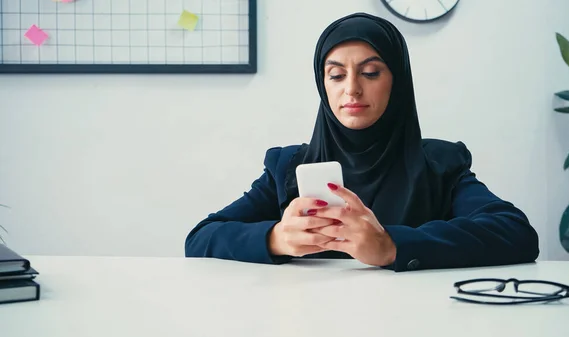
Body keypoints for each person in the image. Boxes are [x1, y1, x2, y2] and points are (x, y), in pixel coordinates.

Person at [184, 12, 539, 272]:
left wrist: (390, 245)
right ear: (323, 86)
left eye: (370, 73)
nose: (351, 89)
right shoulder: (288, 167)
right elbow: (200, 238)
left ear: (396, 81)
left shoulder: (439, 163)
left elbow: (515, 232)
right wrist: (276, 238)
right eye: (336, 75)